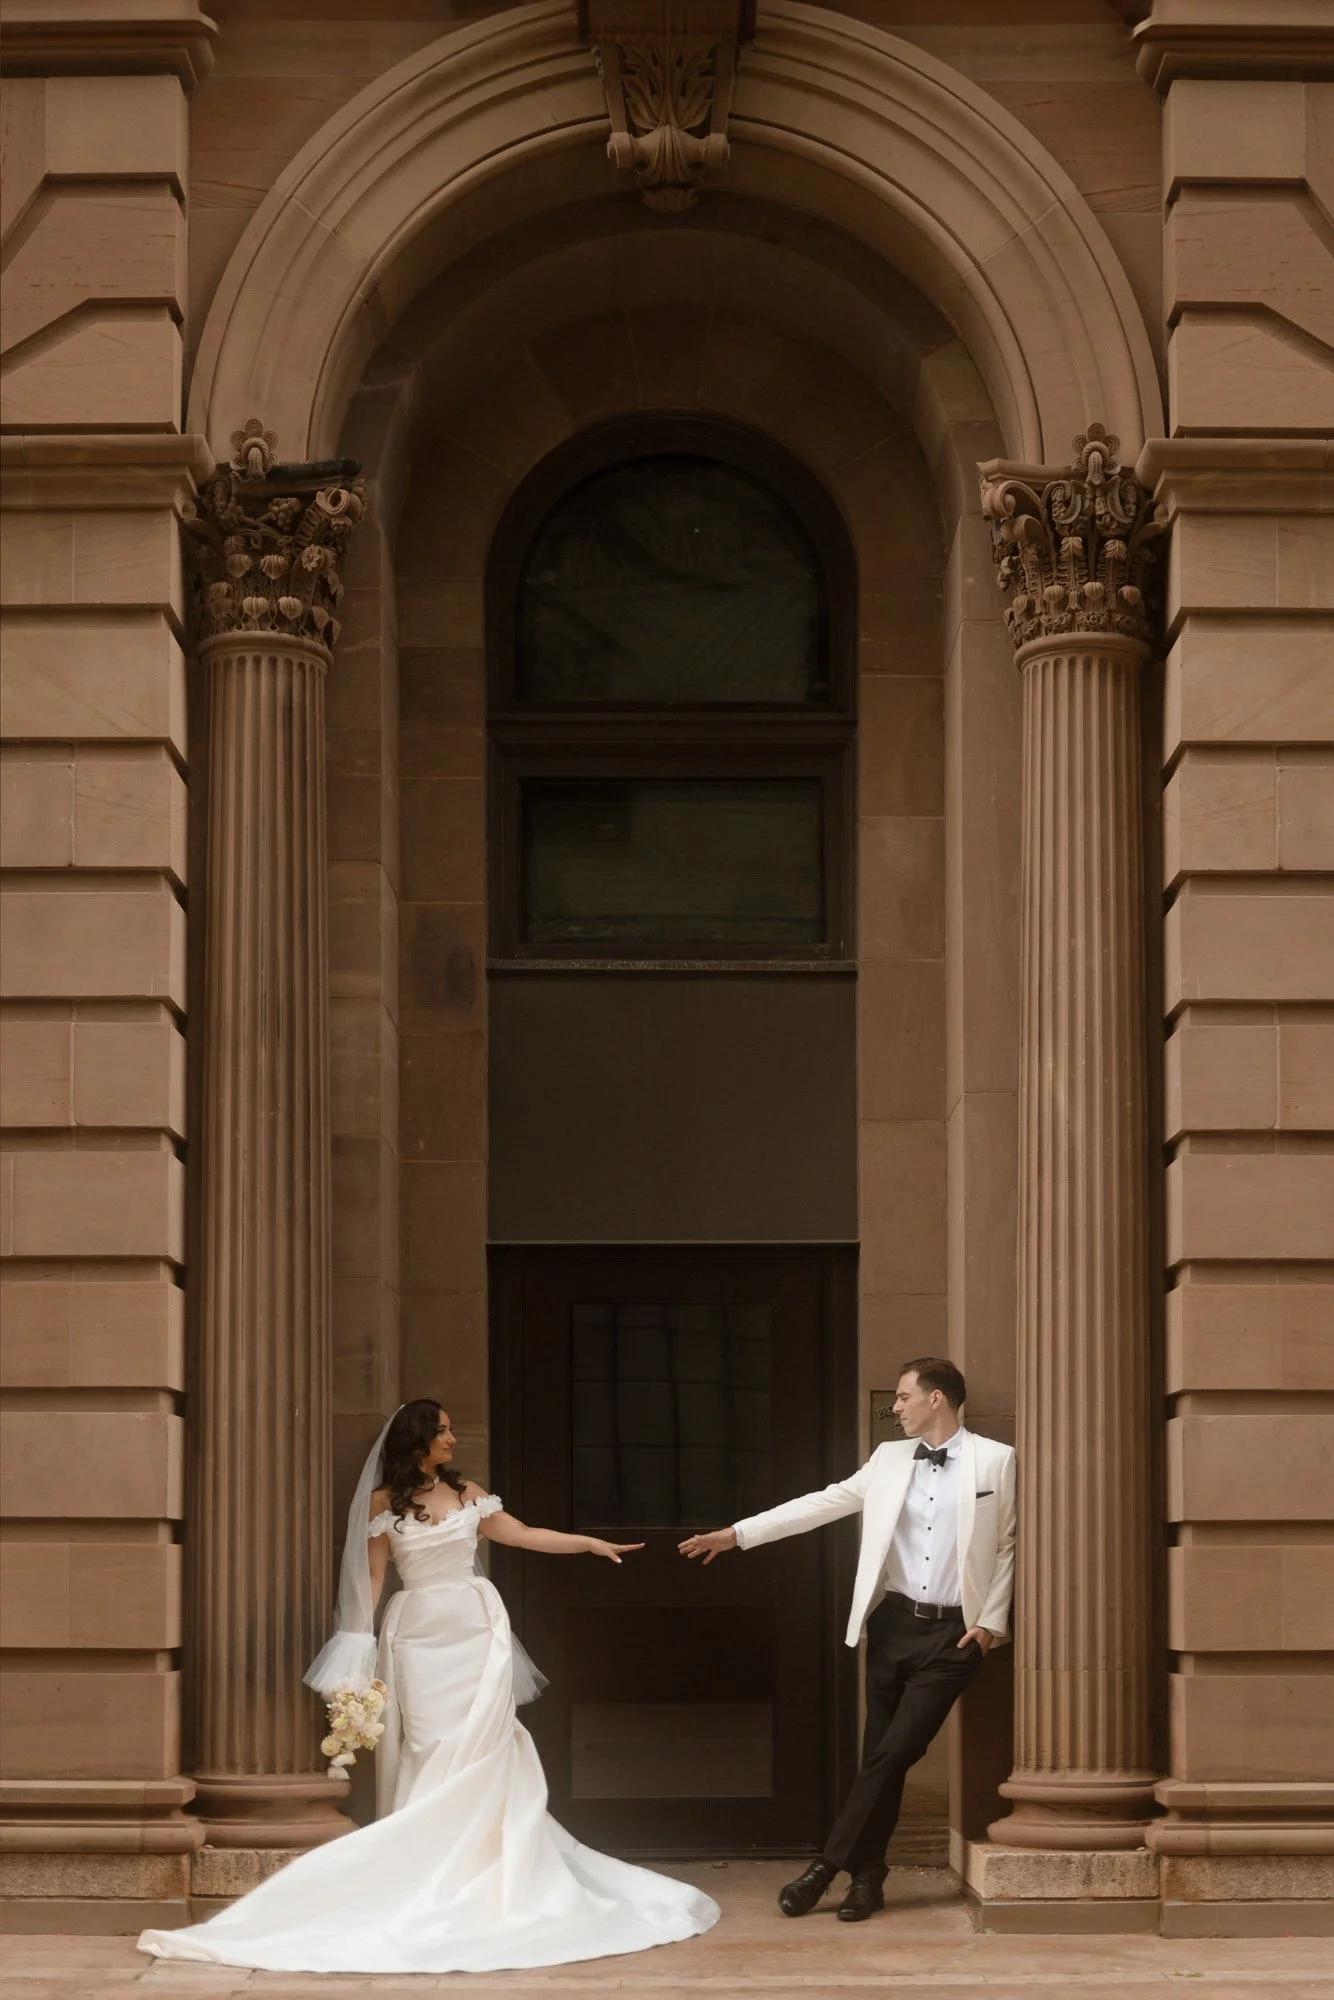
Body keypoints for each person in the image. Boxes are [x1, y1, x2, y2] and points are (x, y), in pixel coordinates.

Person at [139, 1400, 719, 1974]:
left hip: (475, 1628)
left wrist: (588, 1544)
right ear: (416, 1442)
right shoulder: (382, 1505)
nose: (451, 1439)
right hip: (415, 1636)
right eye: (440, 1432)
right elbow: (369, 1581)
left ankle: (491, 1864)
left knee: (487, 1742)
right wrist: (356, 1654)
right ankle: (423, 1862)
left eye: (448, 1430)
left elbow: (522, 1534)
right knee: (428, 1743)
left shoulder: (468, 1493)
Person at [679, 1356, 1015, 1924]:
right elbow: (823, 1503)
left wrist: (990, 1625)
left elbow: (1006, 1544)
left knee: (893, 1752)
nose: (896, 1407)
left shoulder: (997, 1461)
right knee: (878, 1756)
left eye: (905, 1397)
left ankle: (825, 1867)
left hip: (955, 1636)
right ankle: (868, 1879)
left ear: (937, 1398)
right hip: (893, 1627)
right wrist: (739, 1534)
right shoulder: (887, 1459)